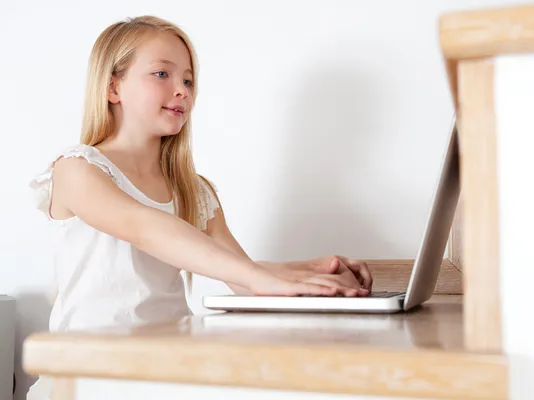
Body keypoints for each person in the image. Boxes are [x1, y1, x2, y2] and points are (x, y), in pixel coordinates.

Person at [27, 15, 373, 399]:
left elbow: (240, 276)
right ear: (113, 87)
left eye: (188, 80)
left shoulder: (194, 190)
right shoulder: (77, 168)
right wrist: (266, 278)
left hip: (161, 374)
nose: (182, 91)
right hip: (83, 377)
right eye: (162, 74)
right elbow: (145, 228)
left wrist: (314, 272)